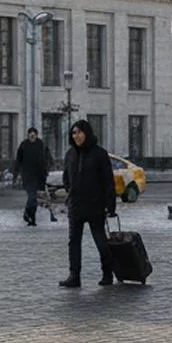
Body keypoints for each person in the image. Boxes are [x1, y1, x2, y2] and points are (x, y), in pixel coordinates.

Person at [58, 119, 116, 288]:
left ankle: (107, 273)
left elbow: (108, 180)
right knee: (73, 241)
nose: (76, 136)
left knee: (100, 239)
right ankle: (74, 275)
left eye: (79, 132)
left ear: (87, 133)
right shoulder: (70, 154)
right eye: (74, 133)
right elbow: (66, 176)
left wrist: (110, 204)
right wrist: (70, 190)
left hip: (94, 205)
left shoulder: (99, 154)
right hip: (76, 205)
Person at [15, 127, 52, 227]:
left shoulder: (41, 145)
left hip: (39, 176)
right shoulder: (23, 145)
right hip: (27, 176)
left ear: (36, 135)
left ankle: (30, 217)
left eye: (34, 134)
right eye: (30, 134)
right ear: (28, 135)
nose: (32, 136)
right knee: (32, 197)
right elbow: (18, 161)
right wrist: (17, 174)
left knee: (34, 198)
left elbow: (48, 158)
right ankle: (30, 216)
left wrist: (47, 169)